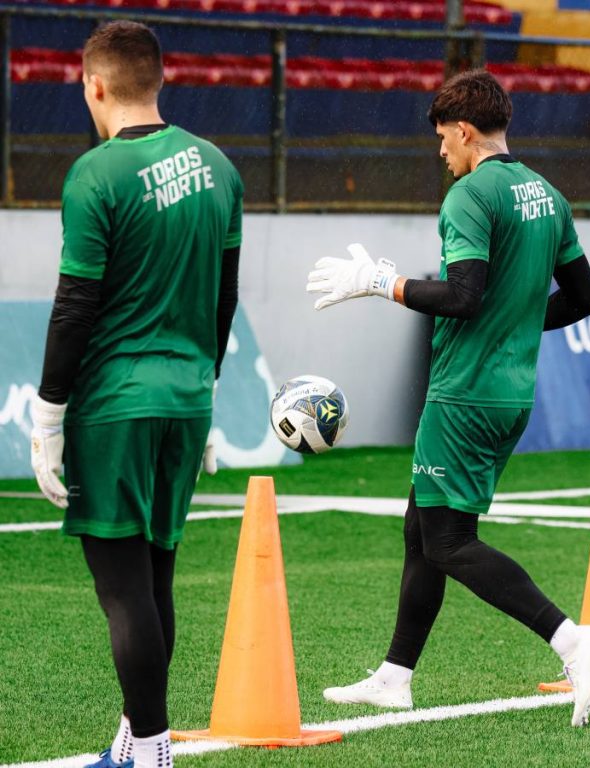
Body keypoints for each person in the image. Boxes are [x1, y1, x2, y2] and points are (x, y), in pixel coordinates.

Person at [306, 69, 590, 727]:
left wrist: (381, 282)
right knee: (421, 530)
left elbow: (463, 296)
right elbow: (585, 299)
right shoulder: (545, 194)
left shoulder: (471, 196)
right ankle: (394, 676)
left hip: (464, 395)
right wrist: (517, 321)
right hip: (509, 394)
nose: (442, 153)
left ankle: (571, 640)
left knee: (447, 542)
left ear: (465, 132)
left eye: (444, 140)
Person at [29, 21, 243, 767]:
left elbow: (75, 305)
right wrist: (205, 395)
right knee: (154, 578)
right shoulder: (220, 167)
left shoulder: (97, 174)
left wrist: (48, 412)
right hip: (188, 397)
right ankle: (134, 738)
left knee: (123, 589)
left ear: (92, 85)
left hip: (116, 403)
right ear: (162, 78)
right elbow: (225, 299)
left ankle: (153, 751)